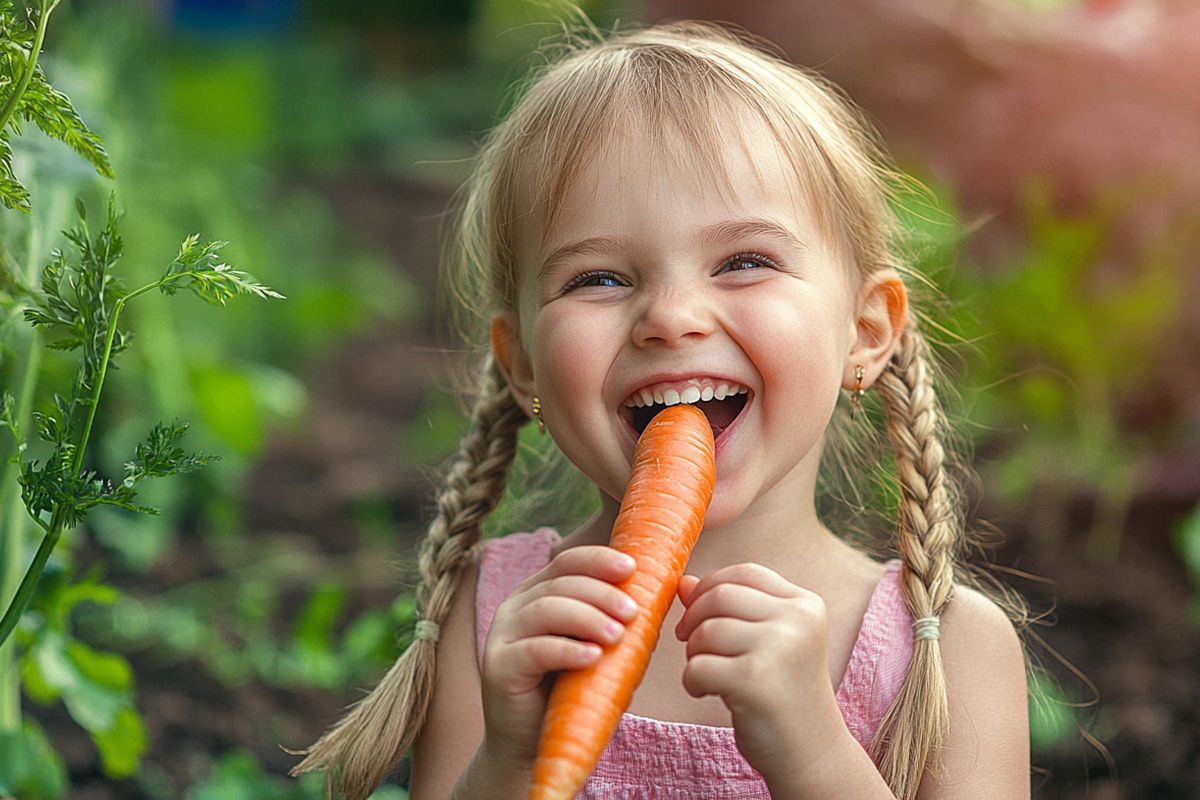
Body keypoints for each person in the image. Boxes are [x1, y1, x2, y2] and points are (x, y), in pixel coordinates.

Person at [291, 19, 1030, 800]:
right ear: (523, 365)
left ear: (866, 331)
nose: (672, 317)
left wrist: (815, 753)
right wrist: (510, 761)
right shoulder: (504, 619)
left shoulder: (948, 653)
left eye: (745, 262)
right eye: (599, 278)